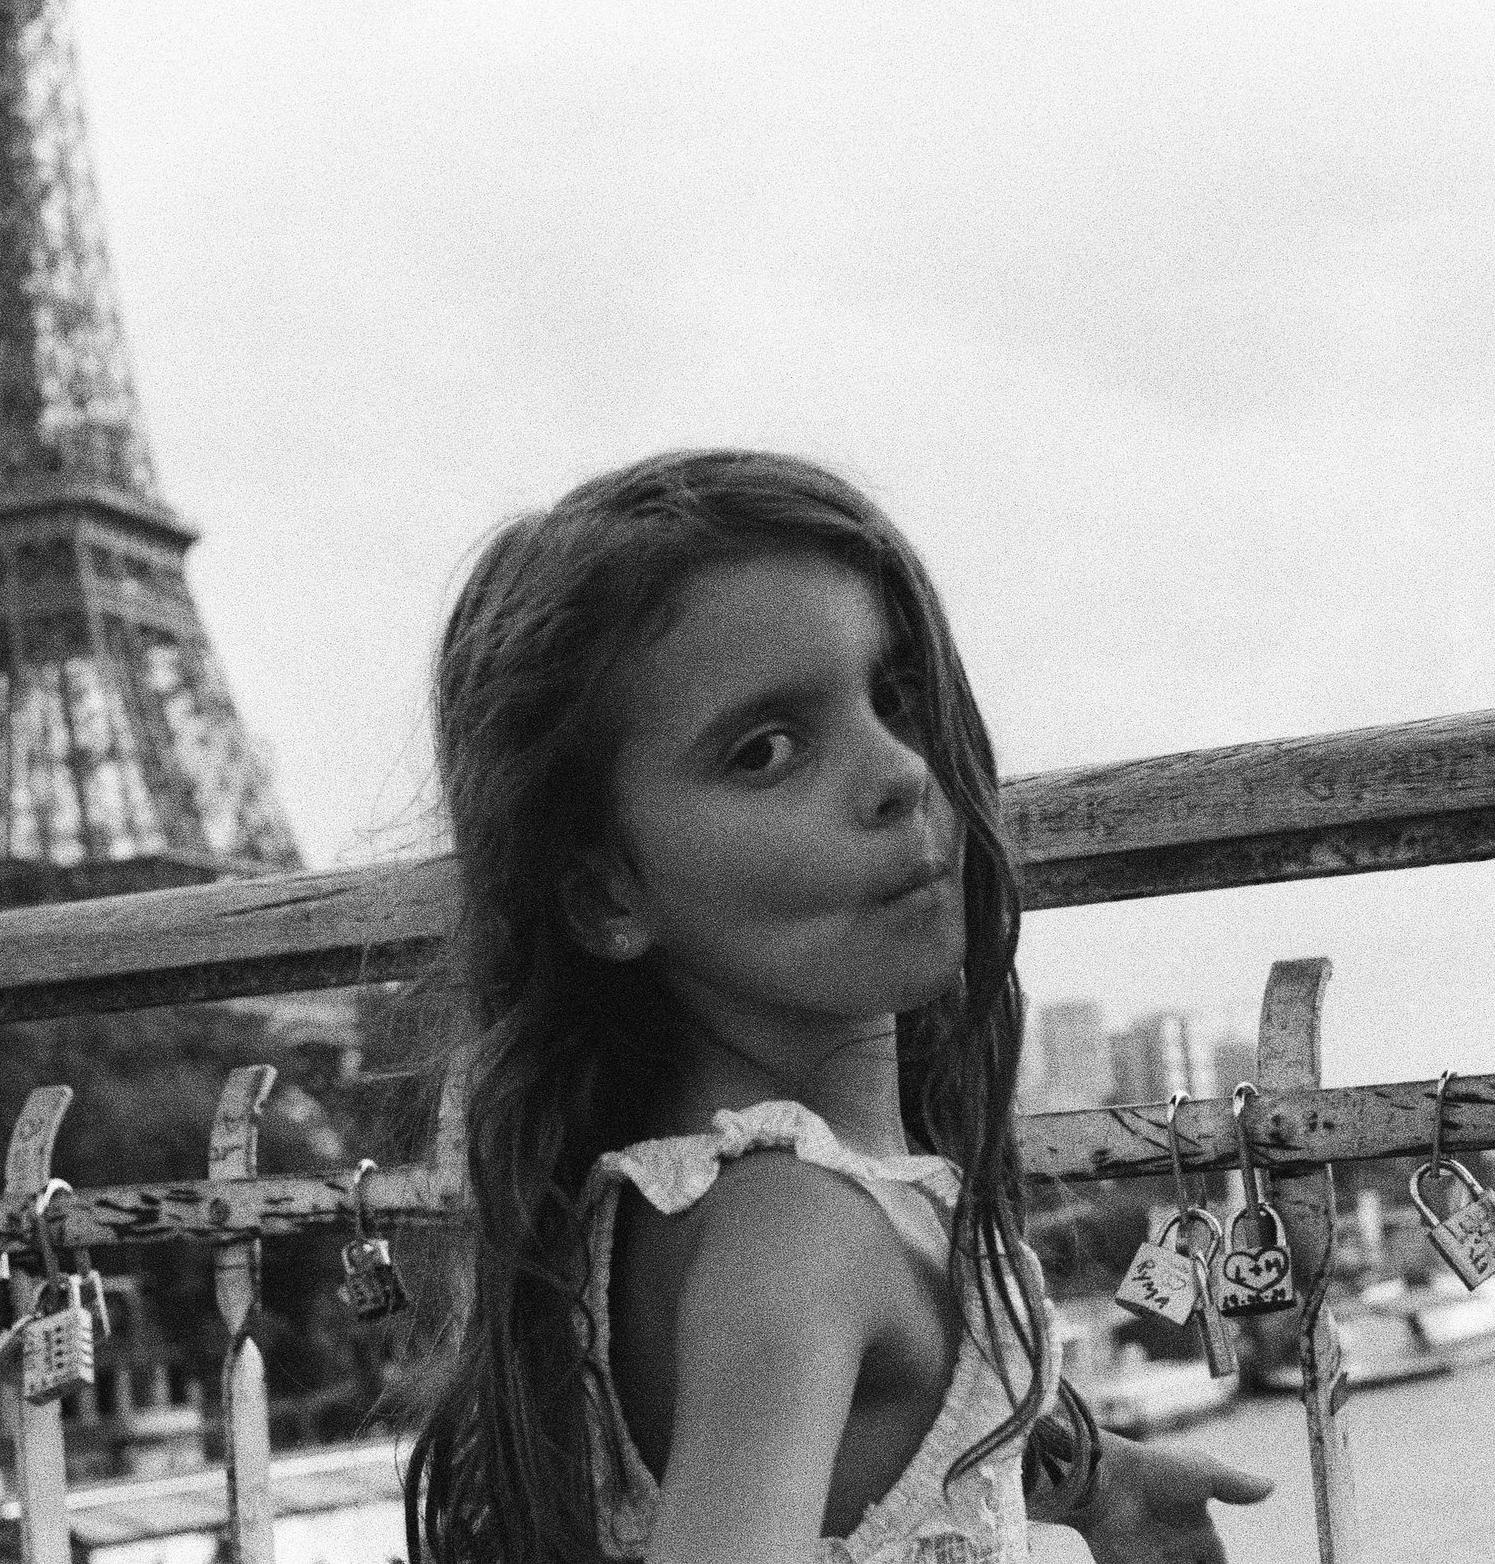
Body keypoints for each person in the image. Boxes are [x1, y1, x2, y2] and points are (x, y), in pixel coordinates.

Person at [405, 450, 1272, 1563]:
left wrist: (1091, 1484)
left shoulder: (703, 1205)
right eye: (766, 750)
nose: (900, 770)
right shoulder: (799, 1233)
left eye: (896, 696)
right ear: (604, 891)